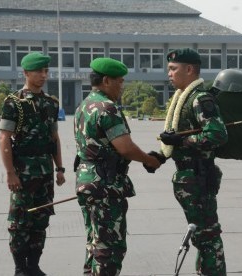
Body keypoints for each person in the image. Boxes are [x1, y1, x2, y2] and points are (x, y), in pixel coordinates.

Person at [74, 57, 162, 275]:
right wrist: (151, 160)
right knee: (110, 248)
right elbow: (125, 148)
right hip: (105, 185)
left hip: (88, 181)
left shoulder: (85, 105)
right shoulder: (107, 108)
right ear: (106, 81)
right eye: (120, 82)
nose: (122, 86)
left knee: (95, 243)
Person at [159, 48, 228, 275]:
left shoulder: (200, 98)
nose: (169, 73)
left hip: (199, 178)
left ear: (189, 70)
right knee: (201, 235)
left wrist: (182, 141)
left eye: (173, 69)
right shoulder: (183, 96)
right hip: (189, 178)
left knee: (207, 236)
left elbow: (217, 134)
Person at [0, 52, 66, 276]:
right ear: (26, 73)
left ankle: (34, 265)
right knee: (19, 222)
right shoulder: (14, 103)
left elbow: (54, 138)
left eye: (46, 71)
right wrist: (10, 173)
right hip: (23, 173)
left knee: (41, 220)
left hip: (45, 173)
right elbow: (4, 138)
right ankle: (20, 268)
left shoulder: (50, 103)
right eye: (39, 71)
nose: (43, 75)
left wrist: (60, 169)